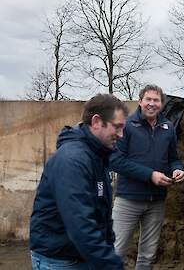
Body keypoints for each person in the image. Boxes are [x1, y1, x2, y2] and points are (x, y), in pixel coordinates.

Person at [30, 94, 128, 270]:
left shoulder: (97, 155)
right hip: (60, 261)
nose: (121, 135)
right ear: (97, 121)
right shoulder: (73, 160)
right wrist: (110, 264)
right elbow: (80, 222)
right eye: (117, 127)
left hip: (80, 256)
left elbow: (98, 211)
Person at [110, 84, 184, 270]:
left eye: (156, 100)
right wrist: (150, 175)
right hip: (128, 199)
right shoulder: (127, 126)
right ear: (140, 101)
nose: (152, 104)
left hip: (156, 201)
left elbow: (173, 158)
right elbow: (116, 161)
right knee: (115, 251)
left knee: (148, 255)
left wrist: (177, 169)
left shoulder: (168, 127)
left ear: (161, 103)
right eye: (148, 99)